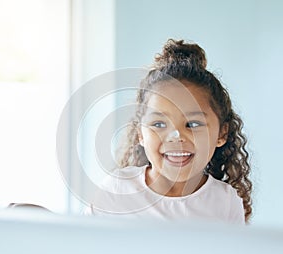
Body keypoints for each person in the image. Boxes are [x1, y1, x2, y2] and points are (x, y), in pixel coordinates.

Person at [85, 39, 252, 224]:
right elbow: (81, 244)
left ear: (222, 134)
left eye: (193, 124)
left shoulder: (226, 202)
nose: (176, 137)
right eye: (158, 124)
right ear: (140, 133)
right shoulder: (117, 189)